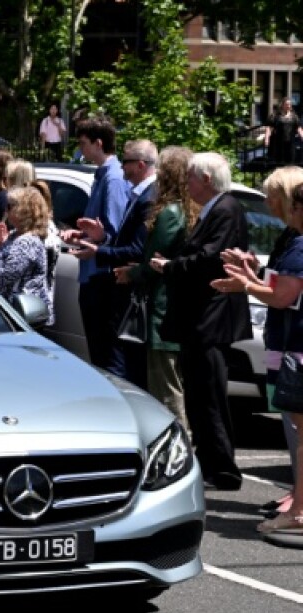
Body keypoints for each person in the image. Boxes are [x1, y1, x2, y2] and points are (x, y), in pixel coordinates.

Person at [150, 152, 250, 491]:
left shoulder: (226, 209)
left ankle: (223, 467)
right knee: (197, 392)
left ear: (206, 179)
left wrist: (170, 267)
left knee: (209, 395)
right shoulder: (212, 210)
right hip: (198, 319)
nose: (187, 184)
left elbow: (210, 259)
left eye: (191, 178)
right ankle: (209, 463)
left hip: (211, 318)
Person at [212, 166, 303, 519]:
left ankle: (298, 501)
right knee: (289, 418)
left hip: (293, 340)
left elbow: (283, 295)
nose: (269, 203)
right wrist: (253, 273)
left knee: (296, 422)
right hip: (283, 339)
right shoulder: (288, 237)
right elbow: (279, 282)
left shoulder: (297, 242)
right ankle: (296, 495)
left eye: (274, 196)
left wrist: (246, 285)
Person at [114, 146, 195, 433]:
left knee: (166, 390)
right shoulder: (185, 210)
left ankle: (180, 450)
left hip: (162, 312)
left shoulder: (171, 213)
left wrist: (131, 273)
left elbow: (153, 262)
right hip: (171, 309)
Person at [67, 139, 159, 388]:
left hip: (130, 289)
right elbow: (122, 239)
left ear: (140, 165)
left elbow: (137, 250)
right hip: (121, 288)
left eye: (126, 161)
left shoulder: (149, 198)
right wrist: (102, 238)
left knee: (120, 363)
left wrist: (98, 250)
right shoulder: (137, 194)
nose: (122, 167)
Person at [73, 118, 132, 378]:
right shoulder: (103, 176)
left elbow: (114, 231)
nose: (81, 150)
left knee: (107, 353)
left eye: (84, 144)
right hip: (93, 273)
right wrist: (81, 233)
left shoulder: (114, 179)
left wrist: (97, 240)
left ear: (99, 143)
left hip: (102, 276)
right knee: (98, 351)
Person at [0, 186, 53, 324]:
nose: (5, 210)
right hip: (9, 311)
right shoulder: (15, 235)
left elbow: (9, 274)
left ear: (24, 211)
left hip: (20, 315)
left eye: (10, 206)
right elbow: (3, 260)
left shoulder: (27, 241)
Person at [265, 98, 302, 166]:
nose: (289, 106)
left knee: (290, 162)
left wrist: (302, 137)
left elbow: (299, 129)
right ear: (282, 105)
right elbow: (269, 128)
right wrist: (267, 139)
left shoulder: (294, 116)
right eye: (287, 104)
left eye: (290, 104)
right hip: (278, 142)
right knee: (279, 162)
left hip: (291, 143)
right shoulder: (275, 116)